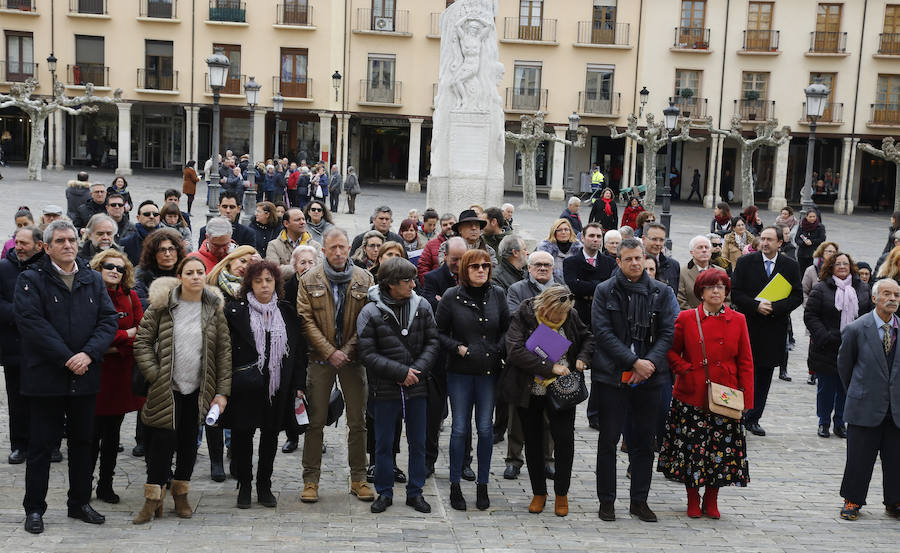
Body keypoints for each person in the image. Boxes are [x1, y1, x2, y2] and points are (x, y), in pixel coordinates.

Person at [16, 220, 118, 534]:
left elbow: (108, 320)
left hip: (85, 376)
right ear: (46, 247)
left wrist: (88, 354)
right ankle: (34, 508)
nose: (68, 245)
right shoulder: (30, 280)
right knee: (41, 446)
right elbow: (32, 324)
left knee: (83, 443)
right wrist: (67, 358)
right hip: (46, 379)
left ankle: (79, 503)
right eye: (60, 240)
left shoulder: (92, 278)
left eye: (72, 239)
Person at [132, 256, 231, 524]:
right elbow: (142, 342)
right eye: (190, 272)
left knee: (188, 444)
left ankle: (180, 494)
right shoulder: (162, 306)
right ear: (180, 276)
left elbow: (224, 353)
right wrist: (156, 375)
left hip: (198, 390)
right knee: (161, 445)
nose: (196, 276)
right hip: (166, 388)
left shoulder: (214, 308)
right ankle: (153, 499)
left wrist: (221, 392)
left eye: (201, 272)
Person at [657, 269, 753, 519]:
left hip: (725, 397)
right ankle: (692, 498)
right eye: (711, 286)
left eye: (722, 286)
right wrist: (685, 370)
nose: (717, 291)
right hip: (692, 394)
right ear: (701, 291)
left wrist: (747, 399)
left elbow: (745, 361)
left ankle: (711, 499)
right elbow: (670, 351)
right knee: (692, 449)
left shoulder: (739, 320)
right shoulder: (687, 318)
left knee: (720, 451)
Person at [591, 237, 675, 523]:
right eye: (629, 259)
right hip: (613, 376)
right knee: (609, 441)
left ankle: (639, 500)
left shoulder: (661, 292)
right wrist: (633, 362)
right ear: (618, 261)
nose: (635, 263)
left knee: (644, 442)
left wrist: (648, 363)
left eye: (639, 257)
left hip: (650, 378)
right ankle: (607, 501)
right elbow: (602, 333)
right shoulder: (605, 291)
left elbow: (668, 332)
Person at [297, 228, 375, 503]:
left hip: (353, 360)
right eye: (333, 248)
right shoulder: (309, 279)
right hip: (320, 358)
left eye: (342, 247)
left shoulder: (364, 278)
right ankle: (311, 480)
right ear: (324, 251)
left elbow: (368, 319)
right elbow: (305, 320)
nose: (339, 252)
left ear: (348, 248)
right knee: (315, 421)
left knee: (358, 421)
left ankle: (359, 479)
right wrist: (330, 352)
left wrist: (347, 350)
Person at [357, 257, 440, 514]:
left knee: (418, 442)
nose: (414, 284)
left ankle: (415, 492)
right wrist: (400, 372)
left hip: (418, 386)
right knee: (382, 444)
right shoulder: (370, 311)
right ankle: (384, 491)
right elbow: (367, 353)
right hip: (385, 388)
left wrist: (416, 372)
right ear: (391, 284)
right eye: (407, 281)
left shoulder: (423, 306)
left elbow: (433, 342)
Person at [501, 285, 593, 517]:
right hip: (529, 389)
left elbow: (587, 338)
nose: (561, 318)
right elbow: (514, 350)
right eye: (557, 315)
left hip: (561, 391)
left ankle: (561, 493)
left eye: (564, 314)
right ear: (545, 307)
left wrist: (582, 358)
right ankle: (539, 492)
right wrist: (549, 367)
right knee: (533, 441)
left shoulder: (570, 314)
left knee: (564, 441)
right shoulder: (524, 313)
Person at [222, 260, 305, 509]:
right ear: (249, 284)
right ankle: (245, 485)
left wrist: (299, 385)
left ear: (276, 283)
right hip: (246, 385)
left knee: (270, 435)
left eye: (269, 280)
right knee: (243, 435)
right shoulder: (235, 311)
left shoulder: (287, 312)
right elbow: (225, 352)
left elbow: (300, 352)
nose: (264, 286)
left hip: (278, 385)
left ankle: (264, 484)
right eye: (258, 281)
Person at [436, 249, 510, 511]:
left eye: (486, 266)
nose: (481, 270)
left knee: (486, 429)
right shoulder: (451, 297)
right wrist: (459, 348)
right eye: (475, 266)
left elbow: (507, 329)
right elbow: (439, 333)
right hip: (460, 372)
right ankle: (455, 485)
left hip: (489, 372)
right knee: (459, 428)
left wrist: (497, 348)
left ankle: (482, 485)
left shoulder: (497, 294)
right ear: (465, 270)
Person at [836, 278, 900, 520]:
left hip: (896, 408)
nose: (892, 298)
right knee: (859, 458)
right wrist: (859, 390)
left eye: (896, 295)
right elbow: (845, 366)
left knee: (896, 459)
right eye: (886, 294)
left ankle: (894, 501)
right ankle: (852, 500)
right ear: (875, 298)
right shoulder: (856, 329)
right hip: (864, 404)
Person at [731, 227, 803, 437]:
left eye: (770, 239)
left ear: (780, 243)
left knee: (764, 376)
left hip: (774, 328)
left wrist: (775, 307)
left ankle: (754, 418)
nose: (765, 243)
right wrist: (755, 306)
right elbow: (735, 292)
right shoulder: (746, 262)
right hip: (748, 327)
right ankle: (738, 415)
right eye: (762, 239)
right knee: (743, 373)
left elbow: (797, 296)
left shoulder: (790, 265)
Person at [88, 249, 145, 504]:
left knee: (112, 437)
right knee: (89, 437)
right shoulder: (88, 295)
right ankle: (82, 486)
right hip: (94, 375)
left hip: (120, 377)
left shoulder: (131, 296)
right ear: (99, 267)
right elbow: (91, 336)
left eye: (120, 268)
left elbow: (141, 333)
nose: (115, 271)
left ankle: (105, 485)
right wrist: (125, 336)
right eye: (109, 266)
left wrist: (115, 344)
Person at [804, 252, 873, 439]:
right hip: (827, 347)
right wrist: (824, 336)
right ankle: (824, 422)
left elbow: (868, 314)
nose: (842, 267)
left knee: (846, 387)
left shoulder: (863, 288)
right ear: (830, 267)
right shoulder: (821, 288)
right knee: (826, 388)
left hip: (853, 346)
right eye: (838, 264)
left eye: (845, 264)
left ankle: (840, 422)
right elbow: (810, 315)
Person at [0, 226, 44, 465]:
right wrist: (19, 315)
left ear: (39, 245)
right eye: (17, 242)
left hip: (43, 346)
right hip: (14, 345)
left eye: (24, 243)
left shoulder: (47, 268)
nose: (18, 247)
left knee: (45, 398)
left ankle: (48, 443)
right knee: (17, 399)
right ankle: (19, 444)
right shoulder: (4, 268)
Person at [279, 245, 317, 454]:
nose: (307, 266)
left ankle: (315, 437)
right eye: (302, 262)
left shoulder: (321, 285)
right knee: (294, 391)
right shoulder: (286, 288)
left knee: (317, 395)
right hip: (293, 346)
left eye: (311, 262)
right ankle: (292, 436)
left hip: (316, 345)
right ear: (294, 265)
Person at [563, 222, 616, 327]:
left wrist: (584, 284)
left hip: (602, 313)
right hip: (578, 312)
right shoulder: (570, 262)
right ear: (582, 238)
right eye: (591, 236)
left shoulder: (610, 263)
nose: (595, 239)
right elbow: (574, 287)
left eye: (599, 236)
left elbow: (612, 288)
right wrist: (600, 284)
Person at [134, 228, 186, 310]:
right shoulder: (142, 275)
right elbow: (142, 305)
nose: (168, 254)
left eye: (171, 249)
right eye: (162, 250)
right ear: (153, 253)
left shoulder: (185, 272)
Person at [266, 208, 320, 278]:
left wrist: (286, 268)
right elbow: (274, 271)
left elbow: (318, 269)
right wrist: (303, 267)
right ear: (286, 223)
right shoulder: (273, 245)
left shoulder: (315, 246)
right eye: (297, 220)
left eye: (303, 219)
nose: (302, 222)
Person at [537, 218, 581, 285]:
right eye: (559, 230)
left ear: (570, 231)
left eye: (566, 229)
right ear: (554, 232)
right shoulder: (544, 250)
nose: (563, 232)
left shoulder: (579, 249)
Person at [677, 235, 713, 310]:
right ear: (691, 252)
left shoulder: (720, 271)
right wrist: (696, 316)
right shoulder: (682, 273)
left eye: (707, 247)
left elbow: (726, 298)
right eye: (700, 247)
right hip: (692, 318)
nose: (704, 250)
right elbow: (681, 300)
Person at [418, 213, 456, 283]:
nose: (449, 226)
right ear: (441, 227)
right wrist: (431, 286)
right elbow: (423, 267)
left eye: (451, 223)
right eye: (445, 225)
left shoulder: (464, 243)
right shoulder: (431, 245)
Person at [120, 201, 161, 265]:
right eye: (147, 214)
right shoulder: (126, 243)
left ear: (159, 218)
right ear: (138, 218)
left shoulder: (168, 239)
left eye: (155, 214)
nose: (151, 216)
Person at [643, 222, 680, 293]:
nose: (658, 243)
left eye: (661, 240)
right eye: (654, 239)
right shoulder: (634, 263)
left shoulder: (673, 265)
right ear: (644, 239)